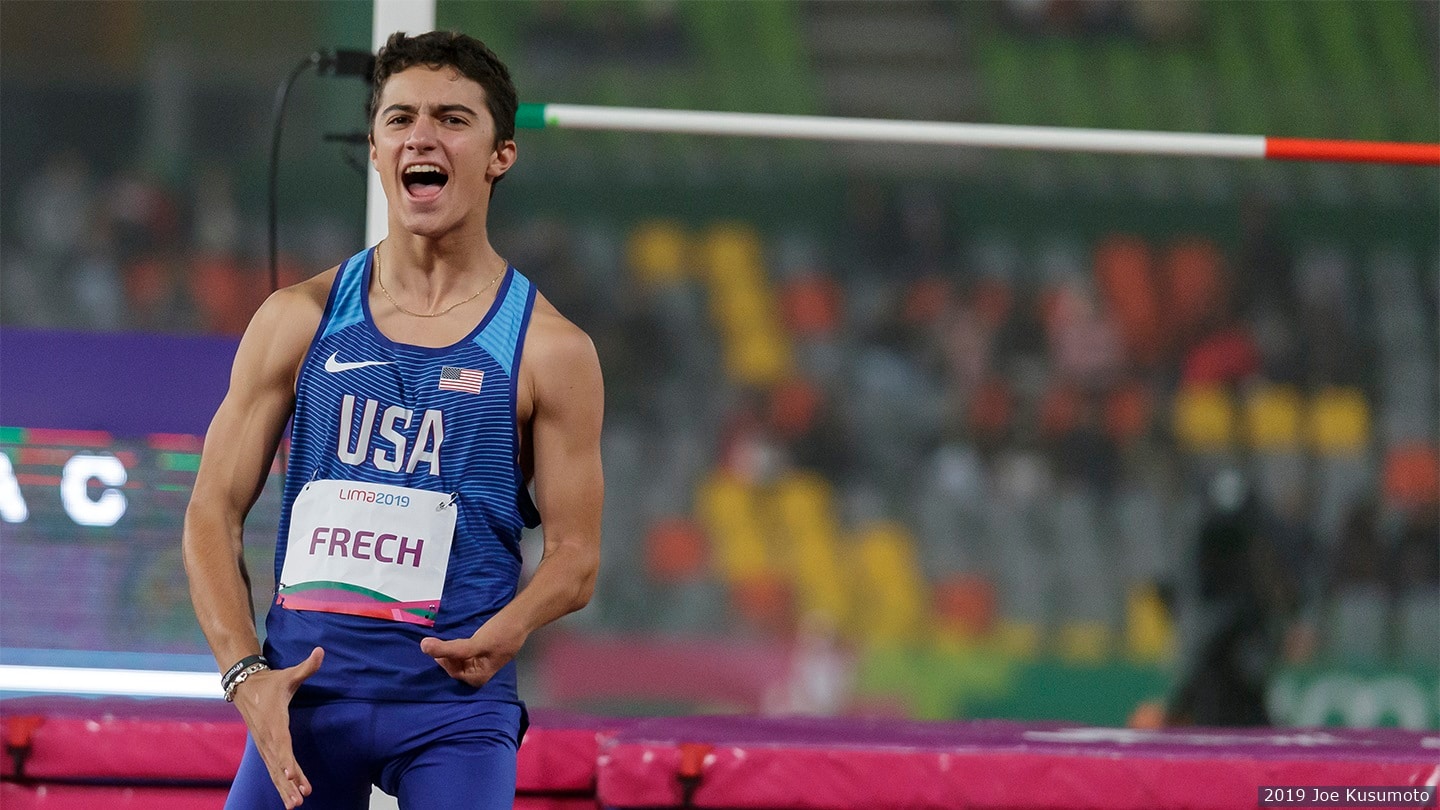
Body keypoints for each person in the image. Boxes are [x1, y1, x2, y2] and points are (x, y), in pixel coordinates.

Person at [182, 31, 604, 809]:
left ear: (500, 154)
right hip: (309, 701)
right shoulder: (296, 319)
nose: (422, 135)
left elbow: (575, 558)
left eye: (451, 118)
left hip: (454, 717)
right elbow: (210, 512)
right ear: (375, 150)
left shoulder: (551, 350)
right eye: (400, 118)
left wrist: (510, 628)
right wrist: (246, 676)